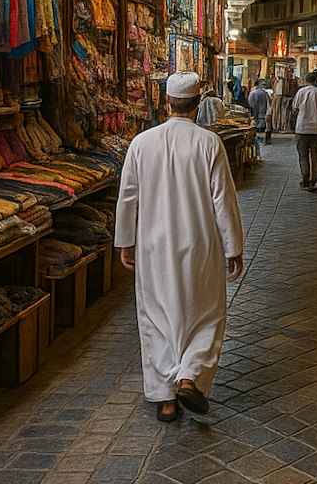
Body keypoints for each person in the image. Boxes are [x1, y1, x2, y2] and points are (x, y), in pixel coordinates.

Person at [115, 72, 245, 423]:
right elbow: (223, 200)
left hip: (153, 247)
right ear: (198, 105)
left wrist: (125, 241)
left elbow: (128, 198)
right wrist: (234, 246)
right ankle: (189, 377)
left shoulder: (141, 143)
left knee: (157, 318)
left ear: (166, 102)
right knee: (205, 314)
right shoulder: (209, 143)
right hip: (200, 244)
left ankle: (166, 399)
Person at [292, 70, 317, 192]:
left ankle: (305, 175)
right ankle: (313, 181)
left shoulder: (300, 92)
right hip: (316, 129)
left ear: (306, 81)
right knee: (315, 155)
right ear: (316, 81)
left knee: (303, 154)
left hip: (302, 128)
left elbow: (295, 108)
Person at [248, 79, 271, 145]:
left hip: (255, 114)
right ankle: (263, 141)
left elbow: (250, 104)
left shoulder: (253, 93)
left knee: (257, 128)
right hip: (262, 114)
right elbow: (268, 104)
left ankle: (258, 141)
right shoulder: (265, 93)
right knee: (262, 128)